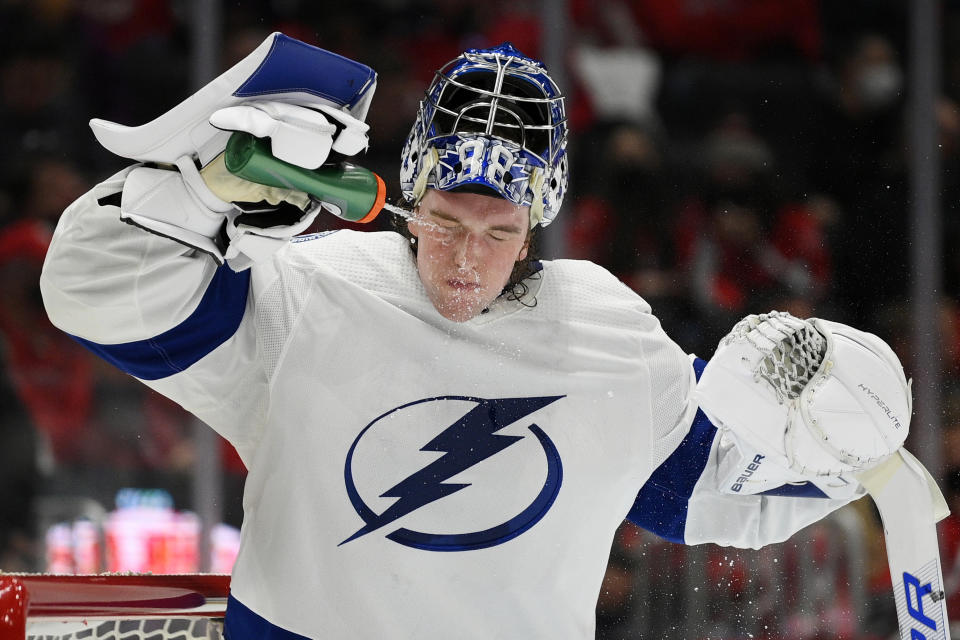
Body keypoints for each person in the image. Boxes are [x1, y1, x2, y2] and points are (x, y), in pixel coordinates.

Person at [40, 33, 916, 639]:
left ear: (537, 226)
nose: (467, 259)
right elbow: (90, 290)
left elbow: (722, 491)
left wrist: (846, 428)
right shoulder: (307, 289)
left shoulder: (608, 332)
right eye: (449, 224)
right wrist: (204, 187)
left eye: (498, 234)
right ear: (412, 199)